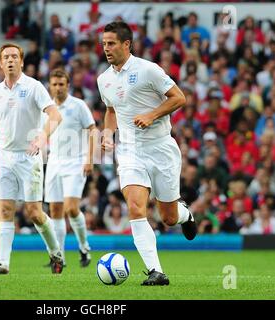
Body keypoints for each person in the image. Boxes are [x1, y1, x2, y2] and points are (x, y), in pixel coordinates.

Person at [97, 21, 197, 286]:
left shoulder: (148, 70)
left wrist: (152, 115)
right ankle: (156, 271)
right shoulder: (103, 79)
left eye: (111, 43)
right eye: (104, 43)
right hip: (130, 151)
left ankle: (185, 213)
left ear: (126, 44)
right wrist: (108, 134)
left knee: (168, 218)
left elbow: (179, 98)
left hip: (161, 147)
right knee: (135, 205)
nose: (106, 48)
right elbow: (110, 111)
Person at [0, 43, 64, 275]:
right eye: (6, 57)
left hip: (29, 157)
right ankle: (2, 263)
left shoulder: (34, 87)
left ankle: (56, 253)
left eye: (15, 56)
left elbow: (55, 114)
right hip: (4, 156)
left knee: (34, 213)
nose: (11, 60)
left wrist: (42, 137)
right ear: (0, 63)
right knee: (5, 210)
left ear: (22, 62)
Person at [44, 68, 96, 267]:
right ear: (50, 86)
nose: (57, 88)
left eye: (61, 84)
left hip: (76, 162)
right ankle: (60, 258)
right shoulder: (47, 109)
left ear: (68, 85)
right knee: (55, 211)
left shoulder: (78, 105)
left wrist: (90, 159)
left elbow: (93, 130)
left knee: (71, 208)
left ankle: (84, 246)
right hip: (54, 162)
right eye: (54, 84)